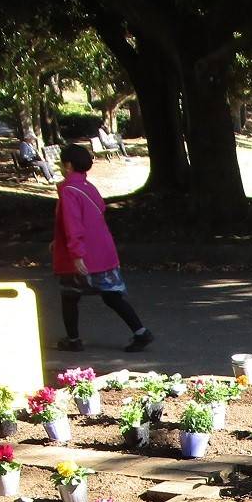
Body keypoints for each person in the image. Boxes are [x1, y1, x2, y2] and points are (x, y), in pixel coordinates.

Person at [52, 143, 153, 353]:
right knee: (112, 296)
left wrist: (76, 254)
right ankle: (140, 331)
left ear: (68, 165)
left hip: (82, 255)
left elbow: (73, 224)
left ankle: (73, 339)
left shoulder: (69, 191)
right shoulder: (88, 188)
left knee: (69, 295)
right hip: (103, 252)